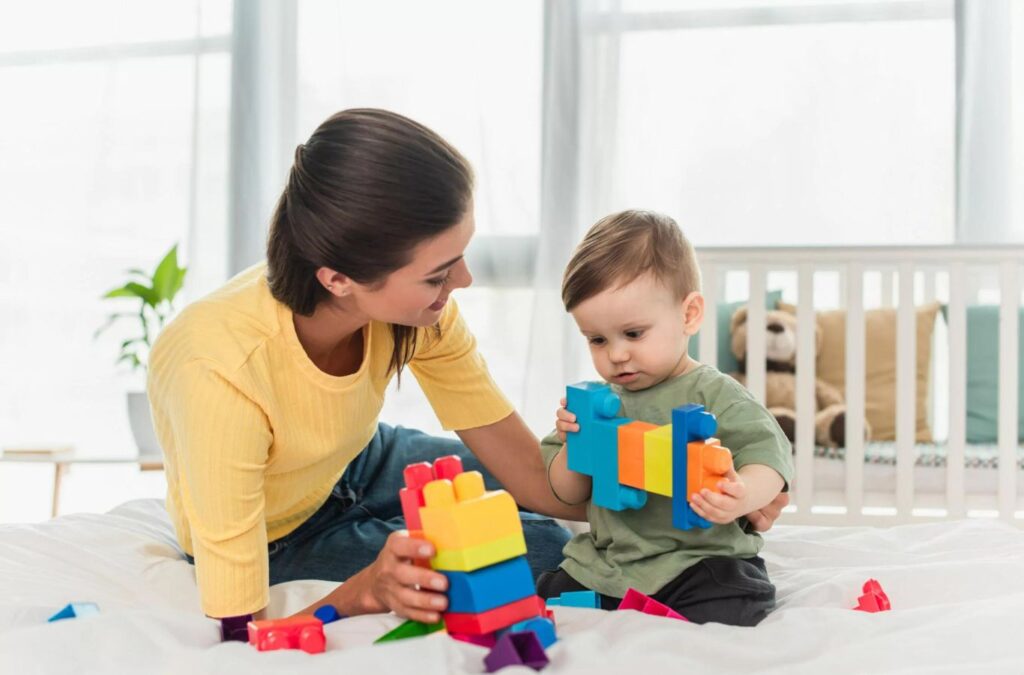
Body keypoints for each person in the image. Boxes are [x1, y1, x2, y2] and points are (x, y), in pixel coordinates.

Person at [147, 109, 787, 636]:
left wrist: (733, 486)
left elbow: (539, 480)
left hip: (360, 459)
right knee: (538, 562)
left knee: (572, 531)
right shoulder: (219, 371)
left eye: (460, 255)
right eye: (437, 273)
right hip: (276, 532)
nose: (464, 281)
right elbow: (238, 632)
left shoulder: (419, 314)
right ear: (339, 280)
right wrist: (361, 593)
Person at [540, 209, 794, 626]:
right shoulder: (596, 402)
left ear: (689, 314)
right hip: (611, 565)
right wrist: (574, 445)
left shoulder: (715, 393)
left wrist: (743, 494)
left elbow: (770, 456)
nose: (616, 354)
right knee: (551, 593)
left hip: (697, 559)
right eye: (597, 339)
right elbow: (567, 492)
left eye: (634, 334)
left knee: (732, 595)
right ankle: (619, 612)